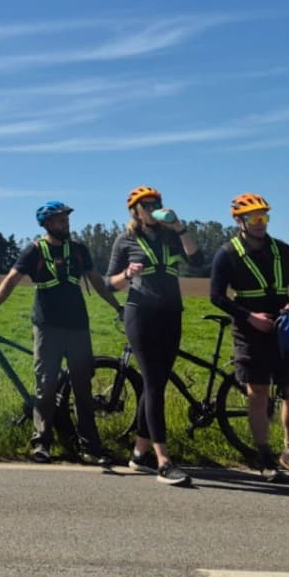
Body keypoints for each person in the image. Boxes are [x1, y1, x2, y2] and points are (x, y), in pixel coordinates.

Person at [0, 200, 122, 465]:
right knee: (45, 387)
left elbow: (97, 282)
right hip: (46, 327)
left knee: (82, 389)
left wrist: (117, 306)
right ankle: (42, 443)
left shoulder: (78, 250)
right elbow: (11, 280)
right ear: (47, 224)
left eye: (66, 219)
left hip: (77, 326)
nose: (65, 223)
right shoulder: (33, 251)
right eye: (59, 220)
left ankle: (90, 447)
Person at [209, 192, 289, 481]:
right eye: (254, 218)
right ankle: (264, 455)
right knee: (258, 393)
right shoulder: (227, 254)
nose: (260, 223)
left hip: (284, 329)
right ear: (239, 221)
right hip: (249, 330)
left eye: (263, 217)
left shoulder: (284, 250)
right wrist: (249, 317)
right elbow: (216, 296)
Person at [105, 185, 201, 486]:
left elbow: (197, 262)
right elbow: (110, 283)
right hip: (140, 314)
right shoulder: (125, 240)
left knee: (155, 383)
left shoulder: (172, 236)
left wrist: (180, 227)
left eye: (156, 202)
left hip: (172, 313)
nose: (153, 207)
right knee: (154, 384)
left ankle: (139, 453)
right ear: (135, 210)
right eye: (146, 204)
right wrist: (127, 275)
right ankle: (164, 461)